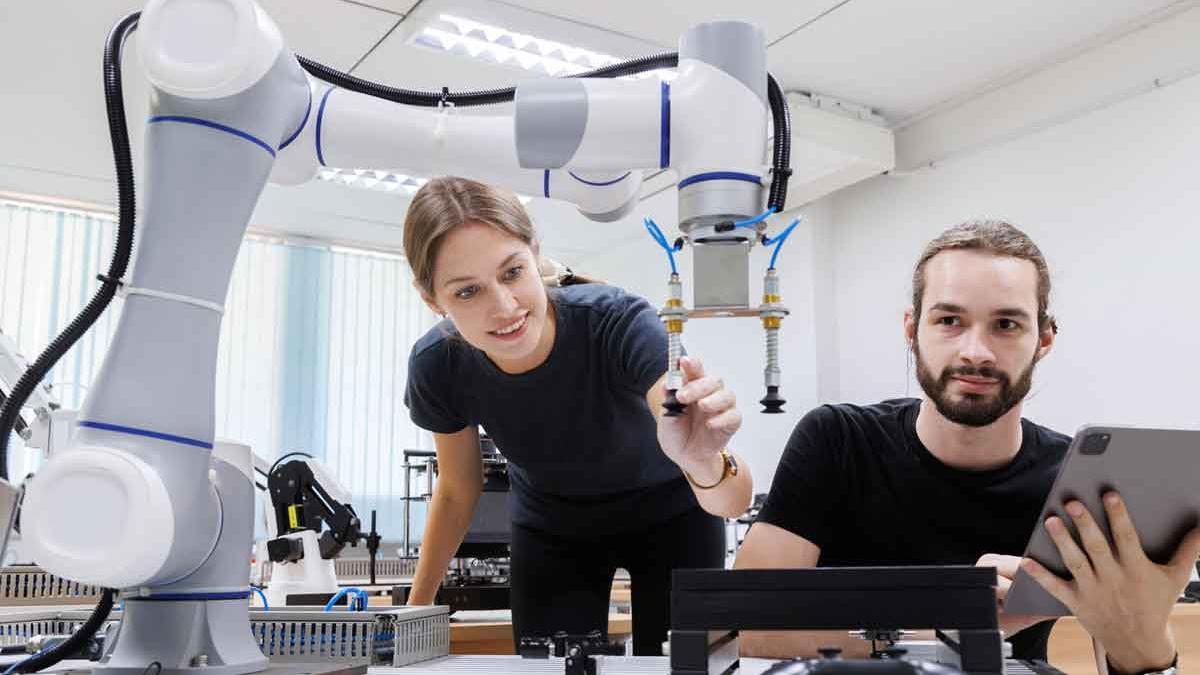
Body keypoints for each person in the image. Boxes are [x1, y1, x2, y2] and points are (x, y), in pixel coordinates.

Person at [735, 220, 1200, 673]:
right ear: (911, 328)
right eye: (950, 320)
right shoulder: (837, 440)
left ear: (1045, 338)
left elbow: (1127, 654)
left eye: (1006, 325)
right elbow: (741, 627)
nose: (975, 351)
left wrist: (1146, 642)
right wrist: (953, 629)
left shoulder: (1076, 482)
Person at [401, 176, 752, 655]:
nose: (504, 308)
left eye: (511, 273)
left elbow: (730, 500)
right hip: (553, 528)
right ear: (431, 299)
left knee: (683, 666)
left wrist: (703, 462)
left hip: (675, 514)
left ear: (534, 253)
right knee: (547, 666)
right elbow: (459, 487)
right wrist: (416, 610)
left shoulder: (621, 323)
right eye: (467, 292)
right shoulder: (438, 365)